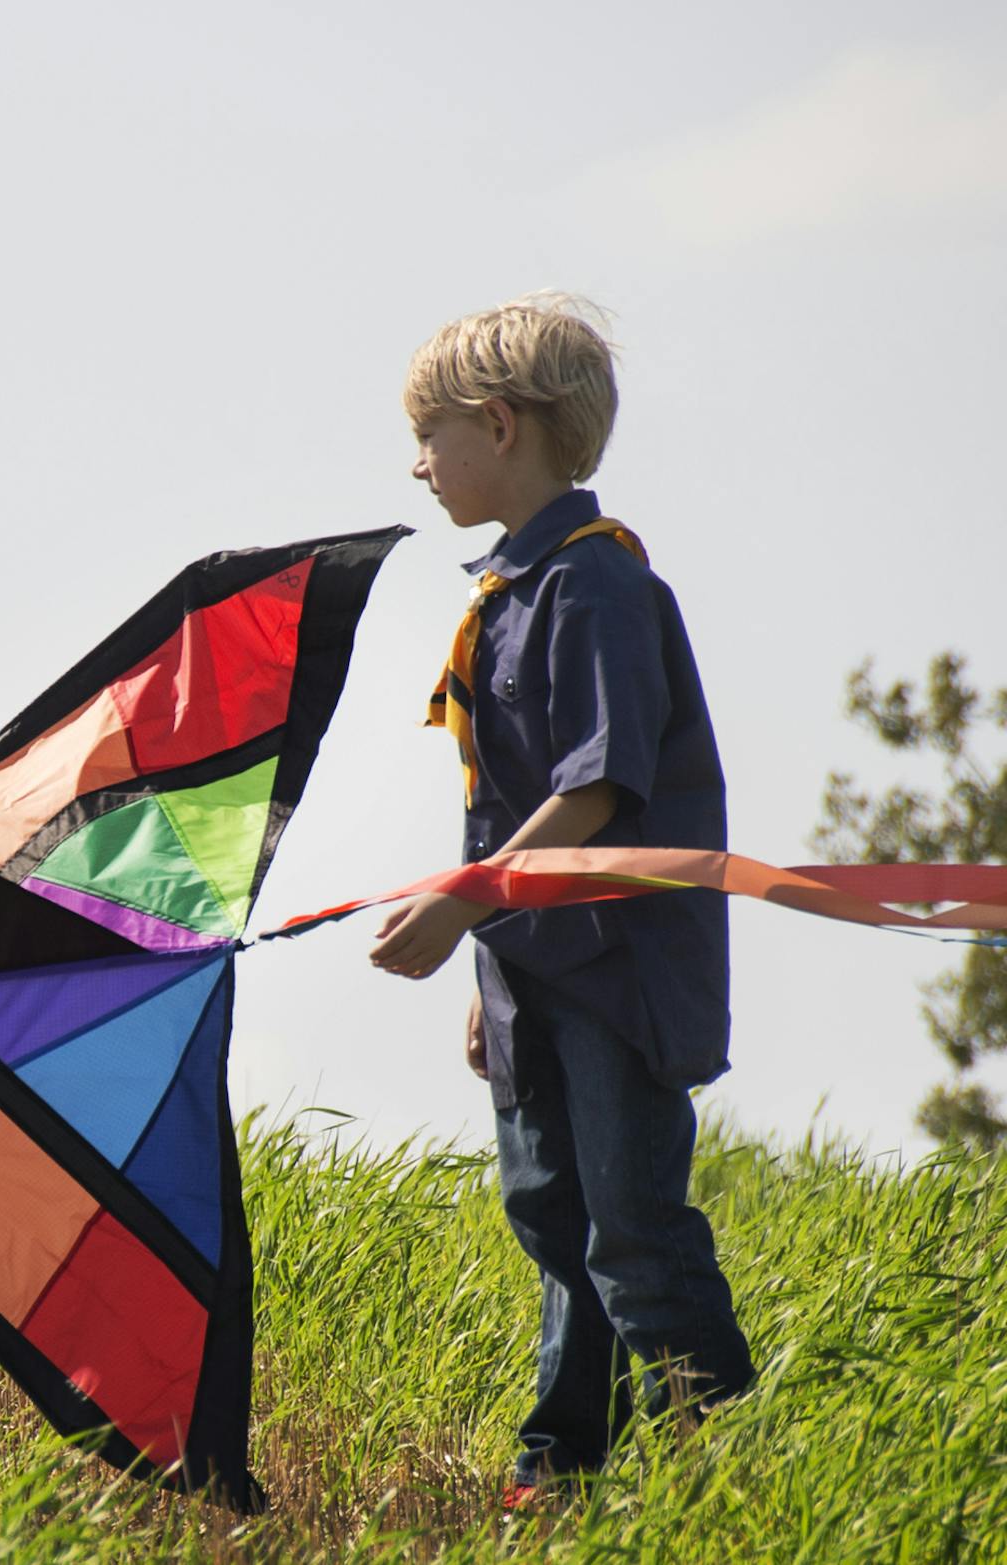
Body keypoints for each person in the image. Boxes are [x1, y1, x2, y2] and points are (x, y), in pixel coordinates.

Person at [369, 296, 754, 1505]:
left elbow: (595, 793)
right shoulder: (510, 592)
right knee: (548, 1208)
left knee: (632, 1222)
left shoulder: (595, 590)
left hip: (619, 968)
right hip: (537, 965)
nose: (417, 463)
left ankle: (722, 1469)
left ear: (498, 425)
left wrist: (458, 907)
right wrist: (495, 965)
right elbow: (513, 806)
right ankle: (564, 1459)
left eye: (429, 435)